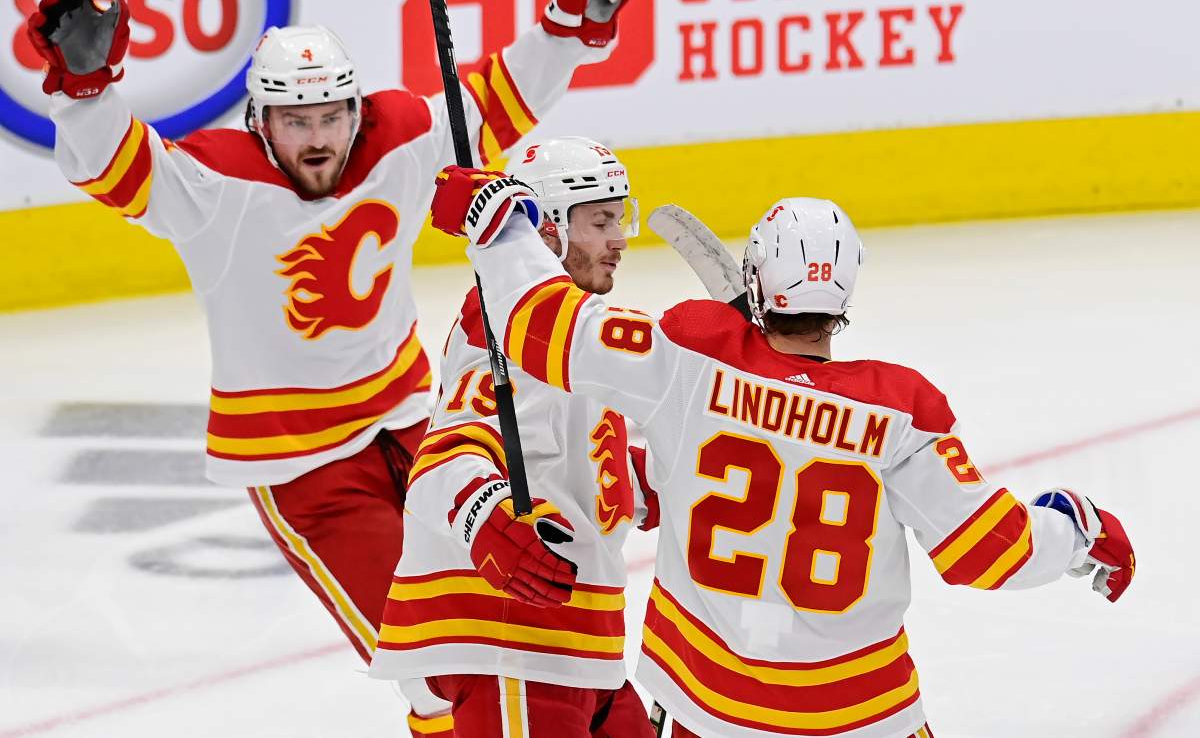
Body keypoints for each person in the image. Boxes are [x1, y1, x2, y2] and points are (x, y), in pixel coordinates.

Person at [26, 0, 646, 736]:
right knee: (434, 663)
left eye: (331, 116)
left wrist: (573, 21)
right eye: (295, 121)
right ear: (260, 120)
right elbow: (109, 164)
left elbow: (492, 101)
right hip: (305, 463)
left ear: (356, 108)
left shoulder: (394, 136)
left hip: (415, 422)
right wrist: (84, 90)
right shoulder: (215, 185)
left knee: (505, 617)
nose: (317, 138)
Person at [426, 176, 1137, 738]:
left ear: (758, 281)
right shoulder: (899, 411)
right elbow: (991, 551)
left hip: (709, 711)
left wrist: (501, 227)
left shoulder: (689, 356)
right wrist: (1077, 527)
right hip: (863, 718)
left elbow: (540, 324)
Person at [368, 138, 658, 737]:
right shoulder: (506, 330)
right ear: (548, 229)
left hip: (576, 648)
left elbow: (564, 453)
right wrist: (487, 519)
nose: (620, 238)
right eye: (601, 220)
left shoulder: (565, 327)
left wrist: (648, 480)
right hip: (514, 648)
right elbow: (449, 455)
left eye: (620, 216)